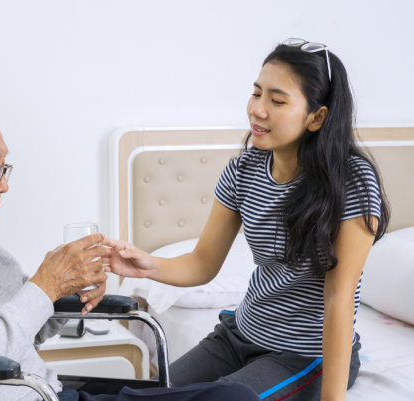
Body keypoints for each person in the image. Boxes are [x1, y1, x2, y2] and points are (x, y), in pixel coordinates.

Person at [0, 95, 260, 401]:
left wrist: (64, 290)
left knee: (231, 394)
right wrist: (42, 286)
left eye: (5, 168)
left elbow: (22, 327)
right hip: (28, 394)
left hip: (45, 390)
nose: (4, 184)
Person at [104, 38, 389, 401]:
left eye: (277, 100)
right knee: (148, 395)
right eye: (257, 94)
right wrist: (146, 265)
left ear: (317, 117)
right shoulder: (244, 169)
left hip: (304, 354)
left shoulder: (351, 182)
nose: (258, 110)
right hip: (239, 333)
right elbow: (203, 263)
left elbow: (339, 297)